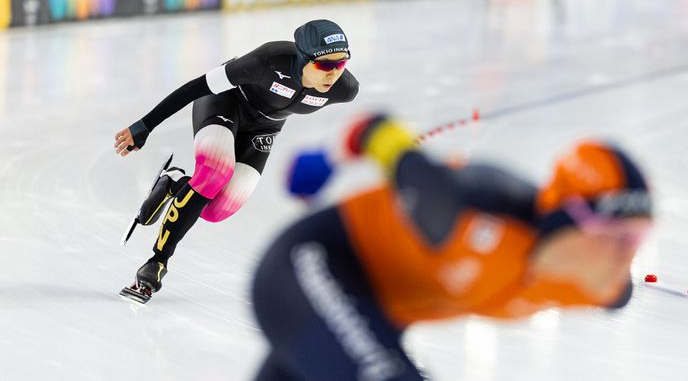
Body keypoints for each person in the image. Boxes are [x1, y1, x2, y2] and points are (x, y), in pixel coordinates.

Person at [251, 115, 653, 380]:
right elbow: (377, 130)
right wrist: (326, 159)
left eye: (638, 237)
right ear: (571, 218)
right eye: (617, 237)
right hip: (310, 265)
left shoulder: (600, 288)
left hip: (371, 315)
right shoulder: (467, 208)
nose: (627, 255)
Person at [114, 19, 359, 301]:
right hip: (226, 103)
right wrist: (145, 125)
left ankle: (174, 183)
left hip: (265, 128)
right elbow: (197, 87)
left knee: (214, 211)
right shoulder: (267, 61)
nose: (333, 74)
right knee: (214, 172)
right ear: (303, 58)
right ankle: (157, 262)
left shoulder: (345, 89)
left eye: (341, 64)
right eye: (325, 65)